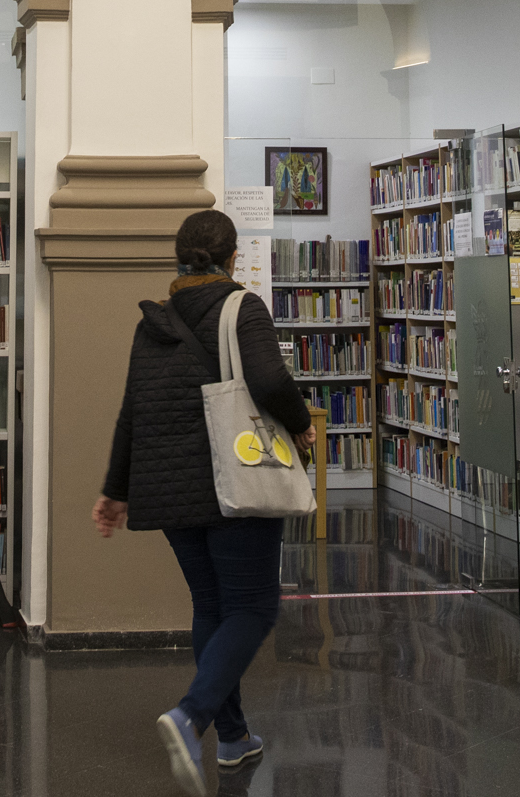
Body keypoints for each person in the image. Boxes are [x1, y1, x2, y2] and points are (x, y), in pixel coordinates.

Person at [94, 210, 315, 796]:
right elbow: (269, 381)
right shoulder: (243, 308)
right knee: (254, 608)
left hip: (170, 489)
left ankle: (234, 738)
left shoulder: (154, 323)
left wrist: (115, 490)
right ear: (233, 258)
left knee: (211, 606)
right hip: (236, 482)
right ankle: (191, 716)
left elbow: (130, 411)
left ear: (179, 256)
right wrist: (300, 424)